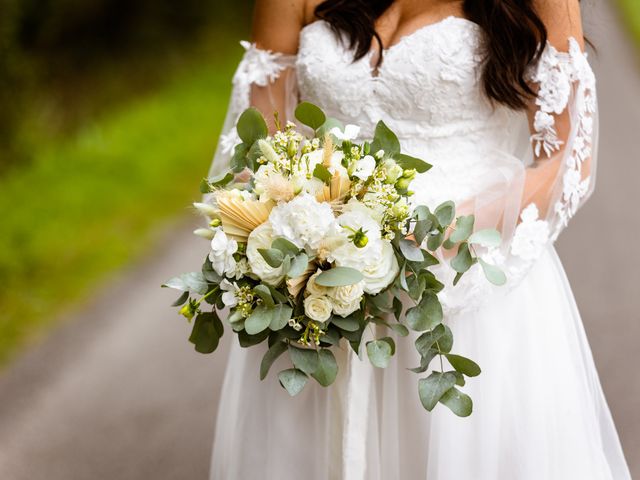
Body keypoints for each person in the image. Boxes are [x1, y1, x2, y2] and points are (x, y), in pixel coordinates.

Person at [208, 1, 631, 478]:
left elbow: (566, 159)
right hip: (318, 296)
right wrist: (289, 228)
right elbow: (260, 143)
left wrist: (444, 237)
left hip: (468, 295)